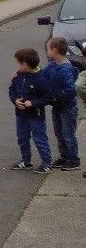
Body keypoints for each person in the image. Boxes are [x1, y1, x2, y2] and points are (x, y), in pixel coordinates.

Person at [8, 47, 53, 173]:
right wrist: (15, 100)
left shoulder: (40, 79)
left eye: (18, 63)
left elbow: (48, 97)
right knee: (22, 137)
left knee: (39, 138)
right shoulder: (18, 76)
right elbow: (12, 90)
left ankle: (46, 162)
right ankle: (26, 160)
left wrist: (33, 103)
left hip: (35, 115)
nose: (17, 66)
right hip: (20, 114)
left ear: (25, 64)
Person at [43, 37, 80, 170]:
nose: (47, 52)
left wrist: (57, 97)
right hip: (57, 105)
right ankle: (64, 156)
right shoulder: (52, 66)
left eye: (48, 49)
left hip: (67, 106)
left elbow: (71, 89)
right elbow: (42, 76)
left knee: (68, 133)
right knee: (59, 132)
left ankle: (74, 160)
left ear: (55, 50)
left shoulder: (65, 69)